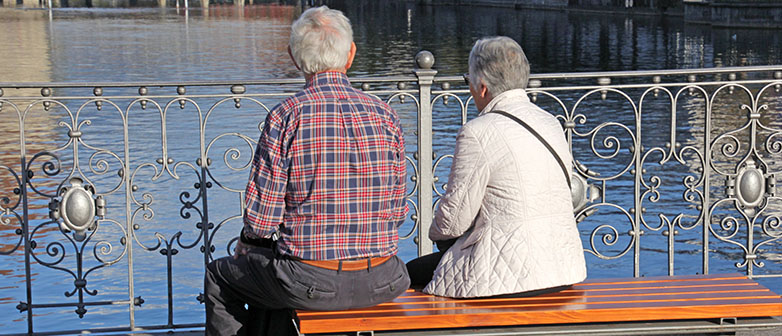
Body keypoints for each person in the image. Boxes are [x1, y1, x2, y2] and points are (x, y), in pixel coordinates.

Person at [204, 6, 410, 335]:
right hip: (384, 278)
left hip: (311, 282)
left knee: (222, 275)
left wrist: (248, 242)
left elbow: (260, 222)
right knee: (274, 272)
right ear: (351, 54)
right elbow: (397, 212)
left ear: (295, 57)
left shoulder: (286, 117)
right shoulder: (386, 114)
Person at [406, 36, 586, 298]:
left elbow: (453, 222)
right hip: (563, 269)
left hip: (508, 279)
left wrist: (438, 234)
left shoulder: (478, 132)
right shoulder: (550, 122)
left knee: (411, 274)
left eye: (468, 81)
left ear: (482, 87)